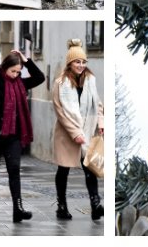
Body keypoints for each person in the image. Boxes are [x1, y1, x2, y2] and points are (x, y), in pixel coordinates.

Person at [0, 49, 45, 223]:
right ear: (4, 67)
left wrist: (26, 60)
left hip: (14, 136)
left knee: (14, 169)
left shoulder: (21, 83)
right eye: (13, 71)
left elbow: (40, 78)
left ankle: (18, 208)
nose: (15, 75)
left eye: (18, 72)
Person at [52, 39, 104, 220]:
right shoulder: (61, 83)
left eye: (83, 62)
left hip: (88, 131)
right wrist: (75, 133)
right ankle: (61, 206)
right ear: (69, 63)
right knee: (63, 170)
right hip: (67, 134)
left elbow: (97, 103)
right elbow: (60, 111)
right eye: (77, 61)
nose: (81, 65)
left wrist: (101, 123)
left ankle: (95, 204)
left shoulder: (90, 80)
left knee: (90, 169)